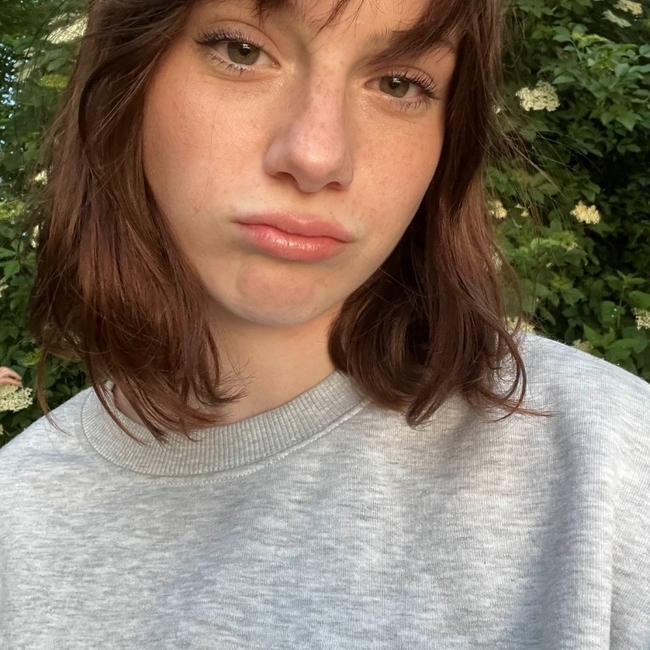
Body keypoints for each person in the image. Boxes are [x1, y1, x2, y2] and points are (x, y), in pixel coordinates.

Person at [0, 0, 648, 646]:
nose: (316, 156)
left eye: (399, 84)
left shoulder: (606, 468)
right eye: (242, 51)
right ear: (128, 77)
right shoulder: (18, 518)